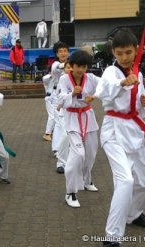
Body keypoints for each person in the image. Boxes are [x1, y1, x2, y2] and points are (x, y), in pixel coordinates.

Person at [95, 29, 145, 247]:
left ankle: (133, 214)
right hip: (114, 131)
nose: (124, 57)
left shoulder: (138, 73)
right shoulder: (111, 72)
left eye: (128, 52)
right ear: (113, 52)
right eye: (119, 53)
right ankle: (111, 239)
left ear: (136, 50)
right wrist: (122, 83)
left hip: (134, 129)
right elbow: (103, 92)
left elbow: (140, 110)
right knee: (126, 181)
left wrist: (144, 101)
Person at [58, 50, 100, 208]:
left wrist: (95, 96)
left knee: (90, 152)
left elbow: (105, 85)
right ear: (71, 65)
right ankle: (70, 192)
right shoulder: (64, 79)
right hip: (72, 119)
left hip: (88, 116)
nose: (81, 70)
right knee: (78, 155)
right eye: (78, 66)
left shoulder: (91, 78)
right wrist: (72, 94)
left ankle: (87, 180)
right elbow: (60, 98)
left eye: (84, 66)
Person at [42, 41, 69, 143]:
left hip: (63, 95)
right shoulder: (56, 64)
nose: (63, 53)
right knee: (54, 116)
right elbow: (58, 67)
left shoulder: (69, 66)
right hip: (52, 95)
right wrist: (70, 64)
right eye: (60, 51)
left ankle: (59, 134)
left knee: (61, 116)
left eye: (65, 51)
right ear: (57, 54)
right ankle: (48, 134)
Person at [54, 61, 72, 174]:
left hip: (78, 113)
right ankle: (61, 163)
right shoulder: (63, 79)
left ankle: (73, 162)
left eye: (72, 67)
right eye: (68, 67)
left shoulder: (79, 79)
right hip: (64, 112)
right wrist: (60, 104)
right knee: (65, 135)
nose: (70, 69)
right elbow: (59, 95)